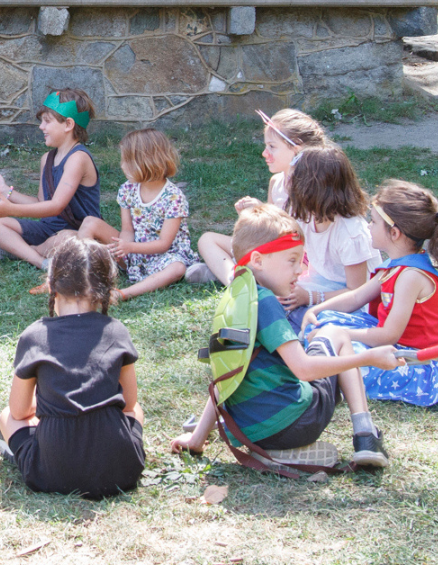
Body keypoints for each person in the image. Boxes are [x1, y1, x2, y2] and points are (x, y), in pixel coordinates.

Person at [171, 205, 398, 468]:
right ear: (258, 260)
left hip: (249, 428)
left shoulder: (237, 297)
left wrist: (197, 438)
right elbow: (303, 369)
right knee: (334, 333)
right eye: (292, 260)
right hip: (295, 424)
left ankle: (268, 449)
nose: (300, 270)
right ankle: (366, 435)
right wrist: (368, 357)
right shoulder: (266, 302)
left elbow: (225, 372)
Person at [0, 235, 145, 497]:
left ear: (51, 285)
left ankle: (18, 451)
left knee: (6, 416)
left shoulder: (35, 335)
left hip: (50, 474)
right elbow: (129, 403)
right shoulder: (117, 331)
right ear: (106, 289)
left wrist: (47, 403)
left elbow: (18, 410)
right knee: (137, 410)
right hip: (121, 472)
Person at [302, 180, 438, 406]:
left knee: (351, 357)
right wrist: (316, 310)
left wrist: (339, 334)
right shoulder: (395, 265)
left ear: (394, 233)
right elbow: (357, 297)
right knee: (326, 319)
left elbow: (388, 336)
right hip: (389, 343)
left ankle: (328, 368)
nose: (367, 227)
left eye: (373, 222)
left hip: (413, 360)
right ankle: (325, 357)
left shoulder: (410, 276)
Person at [189, 108, 328, 285]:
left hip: (299, 259)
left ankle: (233, 276)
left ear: (296, 148)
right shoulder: (276, 182)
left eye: (272, 146)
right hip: (272, 252)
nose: (264, 153)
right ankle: (235, 278)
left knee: (274, 264)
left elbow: (303, 240)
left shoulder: (315, 187)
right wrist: (256, 215)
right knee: (207, 239)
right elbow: (271, 234)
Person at [0, 89, 100, 272]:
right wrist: (5, 191)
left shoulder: (78, 158)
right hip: (46, 229)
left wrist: (11, 210)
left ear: (68, 124)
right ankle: (42, 262)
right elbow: (41, 203)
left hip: (77, 232)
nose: (41, 127)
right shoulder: (47, 159)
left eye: (47, 121)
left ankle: (21, 251)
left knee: (65, 240)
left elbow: (56, 206)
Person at [75, 129, 197, 302]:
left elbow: (164, 244)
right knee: (90, 222)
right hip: (133, 250)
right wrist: (121, 248)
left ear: (145, 161)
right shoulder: (127, 189)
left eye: (126, 161)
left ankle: (123, 293)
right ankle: (78, 276)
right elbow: (127, 230)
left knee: (177, 268)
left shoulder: (173, 197)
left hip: (164, 256)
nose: (122, 166)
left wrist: (130, 248)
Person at [279, 145, 381, 329]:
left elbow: (357, 293)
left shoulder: (350, 233)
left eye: (293, 179)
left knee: (313, 322)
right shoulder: (305, 216)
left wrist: (310, 298)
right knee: (271, 303)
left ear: (311, 189)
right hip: (318, 286)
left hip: (350, 304)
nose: (287, 182)